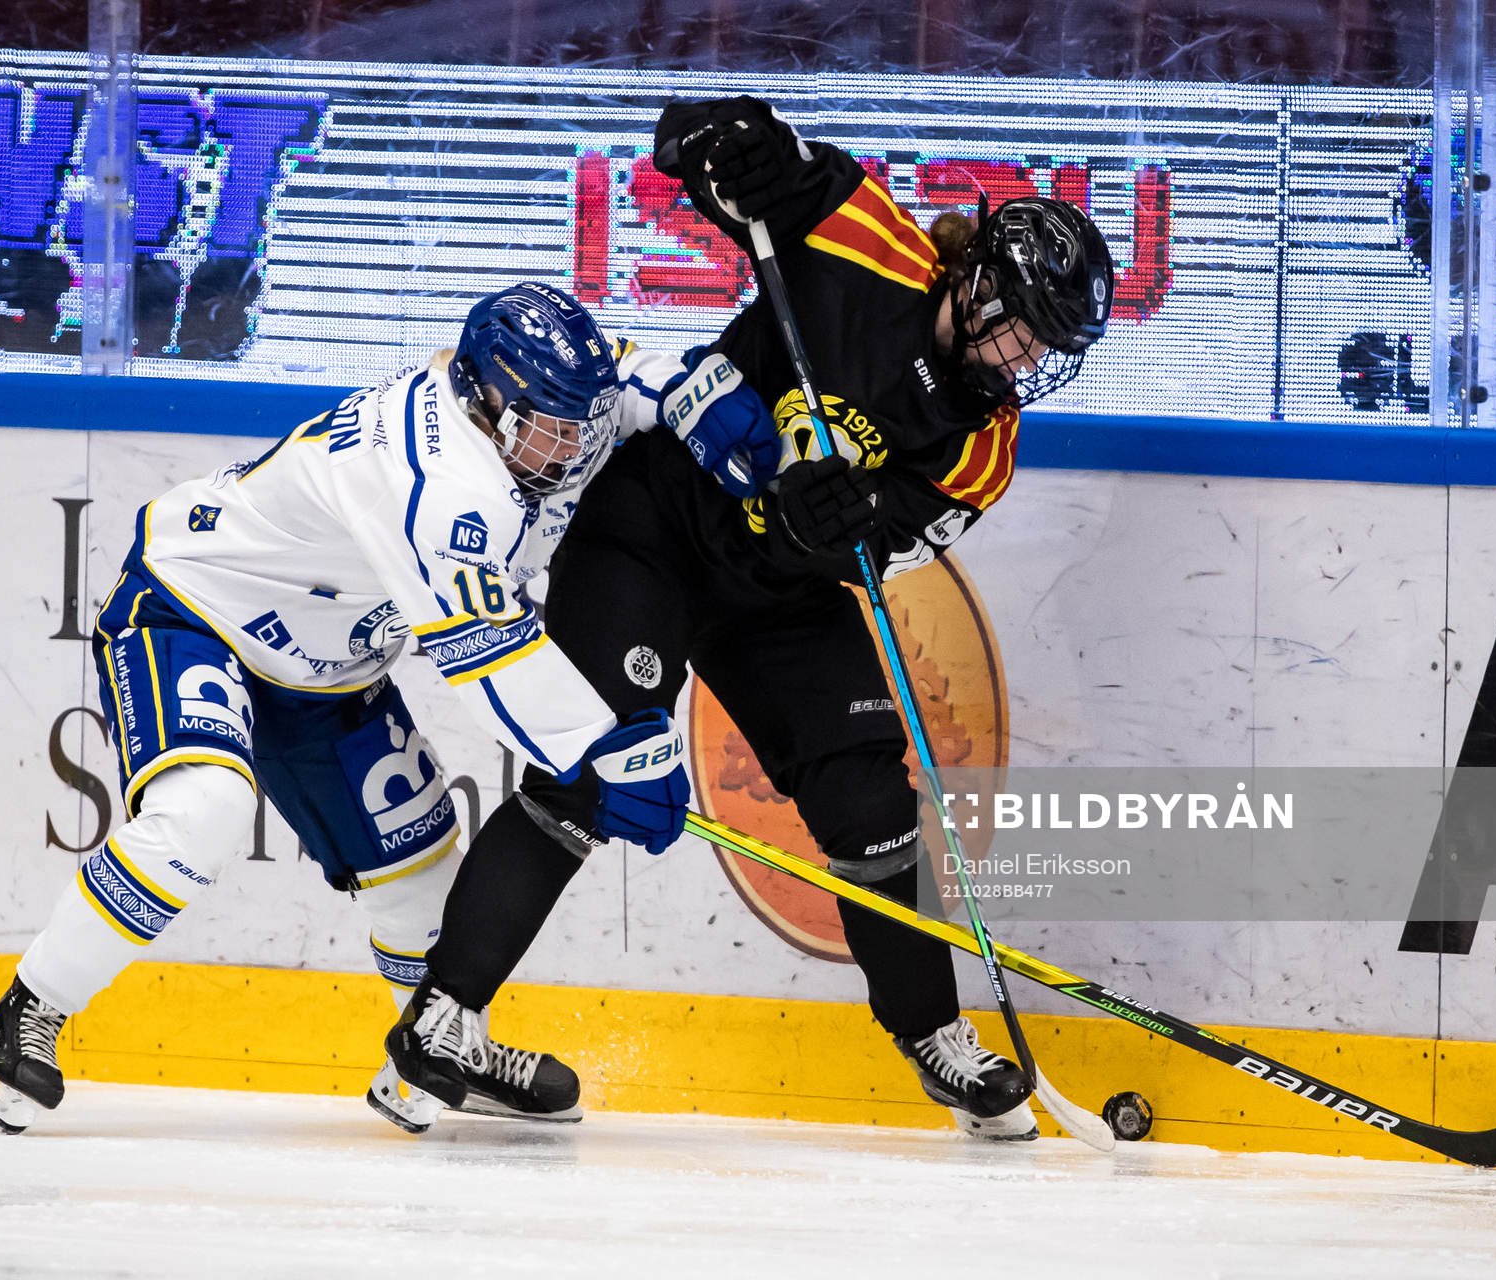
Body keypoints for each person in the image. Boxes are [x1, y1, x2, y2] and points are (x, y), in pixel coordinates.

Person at [394, 96, 1114, 1140]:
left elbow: (884, 549)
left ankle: (935, 1037)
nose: (1026, 362)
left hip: (779, 594)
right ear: (979, 286)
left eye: (1048, 349)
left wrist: (833, 527)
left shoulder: (984, 445)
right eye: (1023, 332)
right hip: (654, 526)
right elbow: (736, 168)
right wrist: (726, 141)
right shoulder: (872, 240)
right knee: (588, 774)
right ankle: (442, 1021)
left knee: (871, 800)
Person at [0, 281, 776, 1134]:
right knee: (202, 810)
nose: (574, 452)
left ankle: (443, 1047)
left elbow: (621, 380)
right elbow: (496, 659)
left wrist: (685, 390)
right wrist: (609, 751)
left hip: (326, 672)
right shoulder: (440, 485)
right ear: (488, 404)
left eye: (581, 426)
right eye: (554, 430)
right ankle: (27, 1013)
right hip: (196, 611)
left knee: (422, 863)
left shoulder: (532, 413)